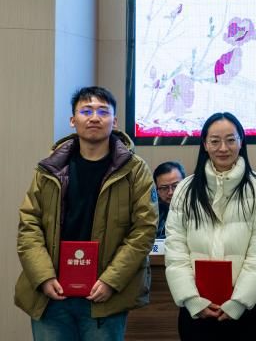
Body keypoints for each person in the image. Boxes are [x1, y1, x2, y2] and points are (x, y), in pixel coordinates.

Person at [15, 86, 158, 340]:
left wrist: (111, 280)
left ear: (114, 121)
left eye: (103, 111)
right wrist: (43, 276)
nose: (94, 117)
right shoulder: (50, 168)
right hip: (52, 295)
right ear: (73, 120)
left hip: (104, 296)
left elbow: (144, 230)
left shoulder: (134, 170)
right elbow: (29, 224)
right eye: (86, 111)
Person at [164, 112, 256, 340]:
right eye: (215, 141)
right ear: (205, 144)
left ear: (241, 141)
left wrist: (239, 302)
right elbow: (175, 249)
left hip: (247, 309)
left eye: (231, 140)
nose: (223, 148)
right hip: (197, 310)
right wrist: (192, 300)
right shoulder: (185, 189)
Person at [154, 161, 186, 239]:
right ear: (157, 190)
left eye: (175, 186)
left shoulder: (199, 207)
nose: (170, 192)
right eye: (164, 188)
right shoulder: (151, 212)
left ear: (186, 184)